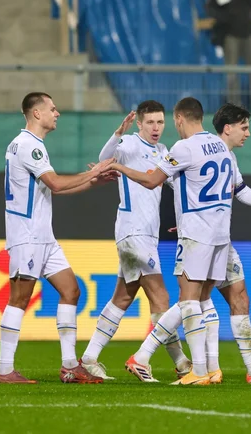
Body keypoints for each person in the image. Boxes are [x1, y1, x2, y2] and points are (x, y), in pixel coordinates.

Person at [138, 103, 251, 384]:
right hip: (200, 237)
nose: (248, 133)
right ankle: (180, 363)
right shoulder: (211, 149)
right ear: (227, 128)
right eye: (244, 127)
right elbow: (173, 184)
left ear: (179, 119)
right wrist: (187, 219)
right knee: (193, 300)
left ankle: (250, 370)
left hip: (220, 239)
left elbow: (238, 190)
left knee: (233, 297)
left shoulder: (216, 152)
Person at [0, 92, 115, 384]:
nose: (57, 113)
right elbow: (57, 184)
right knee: (19, 298)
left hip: (43, 237)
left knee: (71, 290)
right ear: (37, 113)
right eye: (52, 108)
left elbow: (51, 189)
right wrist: (97, 170)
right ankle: (5, 370)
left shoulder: (27, 144)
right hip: (28, 236)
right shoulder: (29, 146)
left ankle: (70, 366)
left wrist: (93, 181)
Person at [115, 97, 235, 385]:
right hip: (220, 233)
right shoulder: (221, 146)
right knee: (199, 298)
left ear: (179, 118)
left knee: (190, 300)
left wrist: (119, 168)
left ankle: (189, 367)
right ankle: (205, 368)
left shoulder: (182, 147)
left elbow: (151, 180)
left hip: (196, 234)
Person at [79, 101, 192, 380]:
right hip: (133, 231)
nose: (156, 128)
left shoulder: (163, 151)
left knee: (123, 297)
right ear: (139, 124)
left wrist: (187, 217)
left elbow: (175, 184)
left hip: (146, 235)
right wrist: (118, 132)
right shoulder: (128, 143)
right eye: (150, 122)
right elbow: (104, 157)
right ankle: (180, 363)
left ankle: (89, 358)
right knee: (161, 297)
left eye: (160, 122)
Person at [207, 0, 251, 111]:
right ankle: (234, 107)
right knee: (232, 72)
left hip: (250, 33)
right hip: (230, 35)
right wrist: (225, 18)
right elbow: (210, 7)